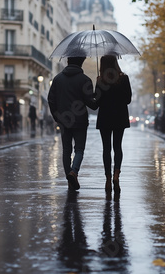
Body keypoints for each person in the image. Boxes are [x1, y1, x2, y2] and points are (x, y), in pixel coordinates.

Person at [48, 56, 97, 191]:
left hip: (64, 120)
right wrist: (97, 93)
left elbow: (51, 100)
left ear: (68, 61)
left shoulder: (57, 79)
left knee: (66, 150)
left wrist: (57, 116)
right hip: (80, 120)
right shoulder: (85, 80)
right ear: (81, 63)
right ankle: (74, 172)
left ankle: (69, 179)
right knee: (79, 149)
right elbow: (92, 105)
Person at [95, 55, 132, 193]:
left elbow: (96, 102)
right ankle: (117, 174)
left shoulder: (101, 80)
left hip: (105, 117)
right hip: (119, 117)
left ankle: (108, 179)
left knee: (106, 148)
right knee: (117, 146)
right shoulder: (124, 78)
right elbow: (128, 99)